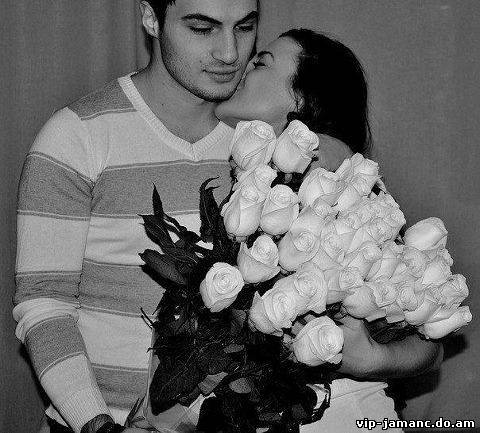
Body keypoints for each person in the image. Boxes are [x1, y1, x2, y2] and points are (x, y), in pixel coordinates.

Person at [13, 1, 258, 432]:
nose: (229, 53)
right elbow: (44, 304)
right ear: (150, 17)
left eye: (244, 27)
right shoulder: (77, 135)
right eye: (202, 28)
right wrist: (96, 423)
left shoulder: (264, 141)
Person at [215, 28, 443, 432]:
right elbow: (426, 336)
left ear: (301, 99)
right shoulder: (330, 166)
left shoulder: (317, 162)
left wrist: (368, 359)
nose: (243, 65)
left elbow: (428, 342)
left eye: (262, 62)